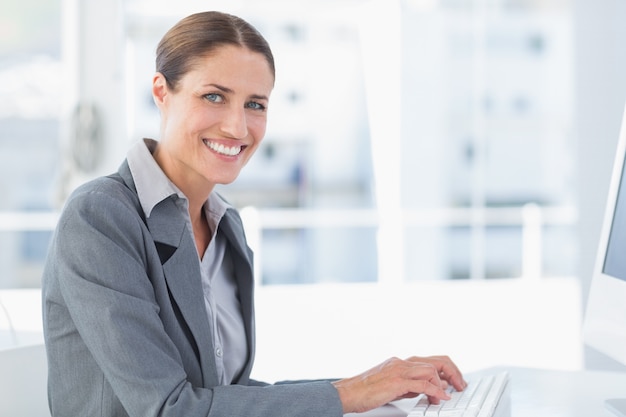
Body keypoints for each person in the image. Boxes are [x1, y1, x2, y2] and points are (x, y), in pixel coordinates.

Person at [42, 10, 467, 417]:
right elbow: (170, 410)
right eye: (214, 96)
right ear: (161, 92)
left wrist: (379, 387)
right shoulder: (100, 218)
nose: (237, 128)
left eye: (255, 105)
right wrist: (349, 394)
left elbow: (226, 397)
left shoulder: (226, 225)